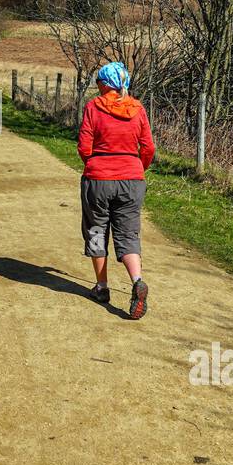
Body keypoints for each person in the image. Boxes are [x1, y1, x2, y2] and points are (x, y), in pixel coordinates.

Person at [77, 62, 155, 319]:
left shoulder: (93, 107)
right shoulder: (138, 108)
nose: (97, 86)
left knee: (97, 229)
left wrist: (93, 165)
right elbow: (148, 148)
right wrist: (137, 168)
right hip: (132, 179)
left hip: (99, 178)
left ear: (104, 84)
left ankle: (101, 287)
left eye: (99, 82)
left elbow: (84, 146)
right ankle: (137, 280)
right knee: (128, 233)